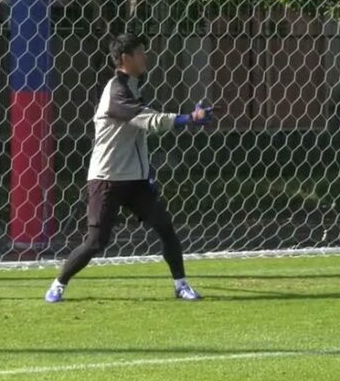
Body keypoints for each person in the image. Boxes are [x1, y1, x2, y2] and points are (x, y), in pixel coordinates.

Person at [45, 33, 214, 303]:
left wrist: (148, 172)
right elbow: (147, 121)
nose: (145, 57)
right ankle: (58, 283)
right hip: (107, 178)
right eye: (140, 53)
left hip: (135, 181)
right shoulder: (116, 91)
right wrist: (189, 118)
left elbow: (137, 136)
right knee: (95, 242)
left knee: (165, 227)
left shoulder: (133, 87)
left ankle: (181, 285)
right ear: (126, 58)